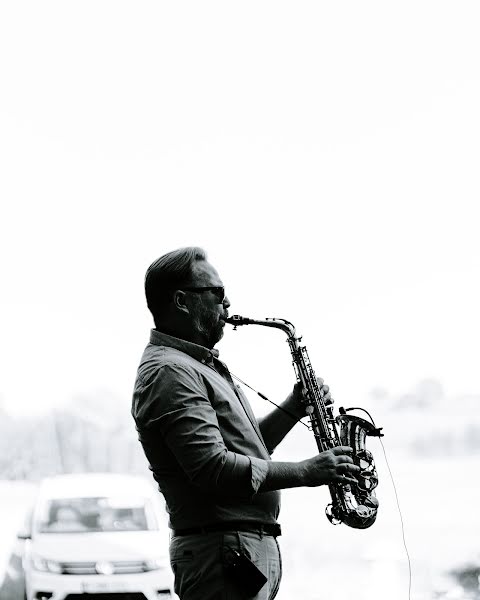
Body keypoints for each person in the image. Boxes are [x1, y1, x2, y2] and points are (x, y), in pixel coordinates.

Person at [131, 247, 360, 600]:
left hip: (234, 551)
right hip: (223, 552)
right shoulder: (171, 372)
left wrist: (293, 408)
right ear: (181, 300)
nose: (227, 304)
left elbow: (247, 451)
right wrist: (306, 472)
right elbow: (213, 468)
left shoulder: (196, 366)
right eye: (217, 293)